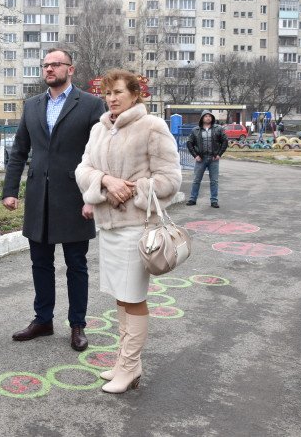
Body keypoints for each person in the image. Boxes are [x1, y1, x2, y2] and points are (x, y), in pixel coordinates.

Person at [75, 69, 182, 394]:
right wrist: (106, 182)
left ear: (135, 94)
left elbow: (171, 179)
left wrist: (133, 189)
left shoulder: (152, 126)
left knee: (133, 298)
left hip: (137, 228)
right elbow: (82, 169)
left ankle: (131, 365)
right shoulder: (99, 128)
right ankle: (124, 362)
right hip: (108, 227)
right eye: (108, 93)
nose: (112, 98)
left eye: (119, 92)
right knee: (121, 298)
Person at [2, 48, 105, 352]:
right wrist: (10, 190)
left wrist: (93, 197)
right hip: (39, 198)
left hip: (75, 198)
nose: (49, 69)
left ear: (70, 69)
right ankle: (43, 320)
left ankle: (77, 325)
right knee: (40, 263)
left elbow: (100, 154)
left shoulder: (90, 104)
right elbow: (19, 150)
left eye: (56, 64)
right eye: (46, 65)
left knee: (76, 265)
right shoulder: (33, 105)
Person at [185, 110, 228, 208]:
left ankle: (214, 201)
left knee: (214, 181)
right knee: (196, 180)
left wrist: (219, 154)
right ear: (202, 118)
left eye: (209, 116)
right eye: (206, 116)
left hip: (213, 159)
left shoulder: (218, 129)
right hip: (201, 159)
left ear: (212, 118)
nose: (208, 118)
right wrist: (195, 155)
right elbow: (189, 143)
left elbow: (225, 141)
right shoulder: (196, 130)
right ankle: (192, 199)